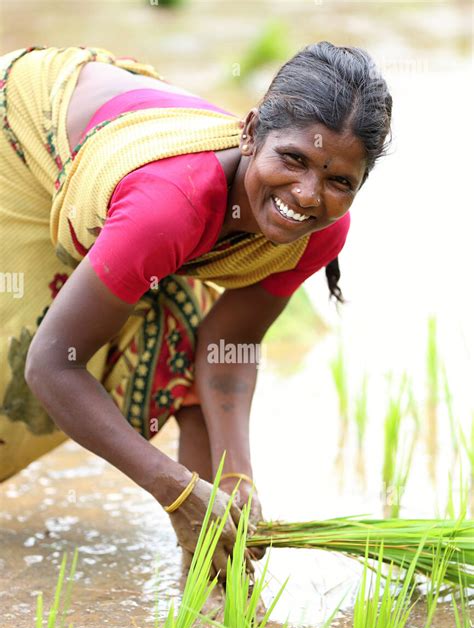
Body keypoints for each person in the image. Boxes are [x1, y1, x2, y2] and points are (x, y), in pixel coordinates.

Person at [0, 42, 392, 585]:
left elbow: (227, 348)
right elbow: (52, 364)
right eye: (294, 159)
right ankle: (201, 537)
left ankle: (212, 574)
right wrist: (173, 488)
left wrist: (238, 476)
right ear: (251, 133)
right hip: (21, 135)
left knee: (179, 329)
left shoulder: (319, 233)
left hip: (131, 194)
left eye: (339, 181)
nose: (307, 195)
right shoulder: (169, 207)